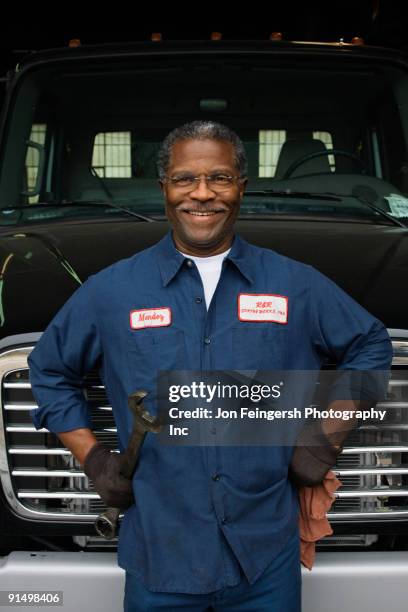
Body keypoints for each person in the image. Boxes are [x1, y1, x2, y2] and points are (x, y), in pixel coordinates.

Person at [28, 120, 393, 611]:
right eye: (184, 179)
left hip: (265, 558)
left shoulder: (296, 285)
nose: (202, 194)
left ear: (240, 187)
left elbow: (371, 344)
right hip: (161, 557)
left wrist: (323, 438)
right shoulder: (110, 292)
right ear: (165, 188)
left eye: (219, 178)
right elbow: (50, 371)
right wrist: (93, 459)